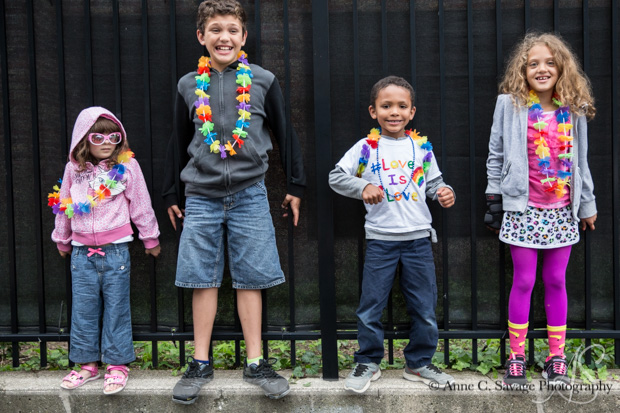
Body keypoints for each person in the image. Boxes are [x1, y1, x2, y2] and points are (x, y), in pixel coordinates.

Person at [162, 0, 305, 404]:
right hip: (200, 197)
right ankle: (200, 362)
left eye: (231, 30)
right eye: (215, 29)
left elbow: (285, 133)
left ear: (244, 37)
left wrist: (296, 185)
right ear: (201, 36)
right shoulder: (188, 85)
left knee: (252, 277)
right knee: (201, 277)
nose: (223, 37)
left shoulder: (262, 80)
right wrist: (171, 191)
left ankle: (256, 362)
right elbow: (178, 139)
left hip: (250, 194)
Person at [329, 76, 456, 393]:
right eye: (386, 106)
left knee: (424, 307)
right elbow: (336, 177)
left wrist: (444, 192)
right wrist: (363, 186)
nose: (394, 112)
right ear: (374, 111)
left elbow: (433, 183)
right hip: (380, 241)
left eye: (401, 106)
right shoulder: (365, 147)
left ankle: (419, 363)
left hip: (418, 241)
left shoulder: (421, 148)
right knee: (370, 307)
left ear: (412, 112)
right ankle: (368, 362)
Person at [484, 32, 597, 388]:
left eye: (550, 62)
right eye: (533, 63)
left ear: (562, 69)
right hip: (523, 209)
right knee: (524, 280)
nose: (541, 69)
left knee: (556, 280)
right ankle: (516, 357)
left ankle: (556, 358)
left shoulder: (573, 108)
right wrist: (493, 199)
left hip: (562, 210)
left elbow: (581, 160)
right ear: (523, 70)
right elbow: (496, 154)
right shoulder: (510, 105)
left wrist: (587, 204)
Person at [49, 107, 161, 395]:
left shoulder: (127, 167)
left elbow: (141, 202)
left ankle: (117, 365)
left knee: (116, 309)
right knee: (83, 310)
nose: (107, 142)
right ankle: (87, 365)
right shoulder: (73, 170)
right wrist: (62, 239)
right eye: (98, 137)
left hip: (116, 252)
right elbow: (64, 205)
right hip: (80, 254)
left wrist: (150, 237)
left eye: (114, 136)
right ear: (83, 139)